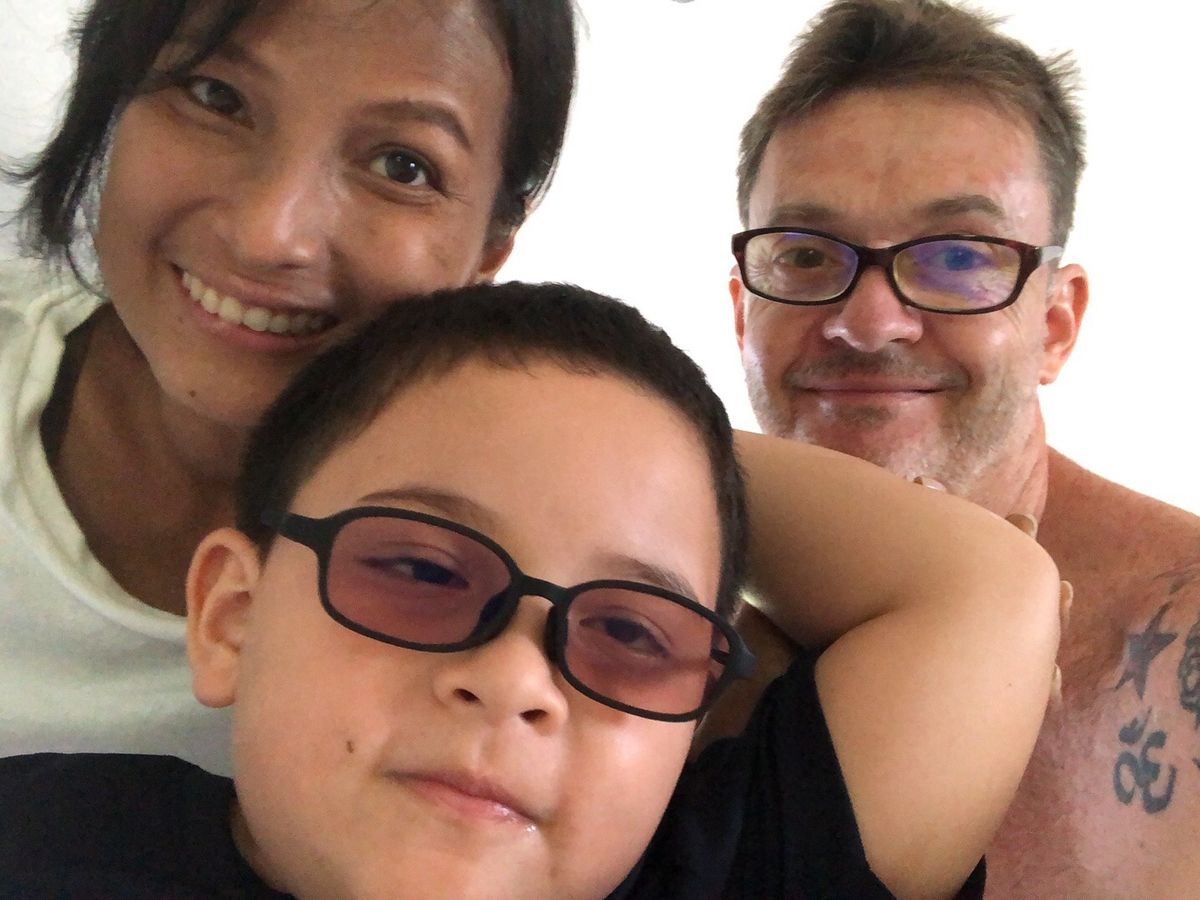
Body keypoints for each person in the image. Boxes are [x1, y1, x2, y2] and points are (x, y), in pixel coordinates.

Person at [0, 281, 1059, 898]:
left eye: (633, 635)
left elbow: (987, 589)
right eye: (421, 569)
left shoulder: (720, 877)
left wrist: (651, 453)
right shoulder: (44, 840)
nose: (514, 680)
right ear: (232, 618)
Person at [0, 0, 575, 774]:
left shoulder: (520, 601)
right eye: (217, 97)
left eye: (402, 165)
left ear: (488, 254)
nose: (270, 234)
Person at [718, 1, 1200, 896]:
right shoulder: (622, 629)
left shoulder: (1182, 631)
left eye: (958, 257)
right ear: (744, 313)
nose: (869, 324)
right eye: (807, 255)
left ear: (1055, 324)